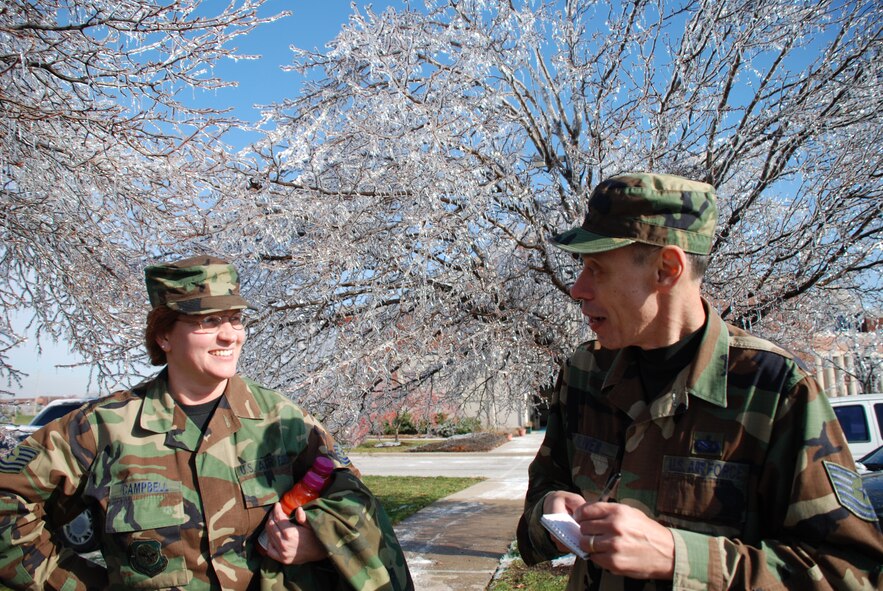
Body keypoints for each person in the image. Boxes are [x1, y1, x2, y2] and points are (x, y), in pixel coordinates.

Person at [516, 173, 883, 590]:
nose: (577, 289)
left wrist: (679, 557)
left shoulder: (776, 391)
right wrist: (549, 511)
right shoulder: (584, 374)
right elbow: (533, 519)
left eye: (596, 269)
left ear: (667, 269)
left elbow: (853, 575)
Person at [0, 255, 413, 590]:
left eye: (235, 319)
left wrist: (319, 541)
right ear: (164, 335)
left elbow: (353, 496)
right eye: (208, 321)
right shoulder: (105, 428)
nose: (230, 335)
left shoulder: (282, 420)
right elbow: (7, 504)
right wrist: (81, 584)